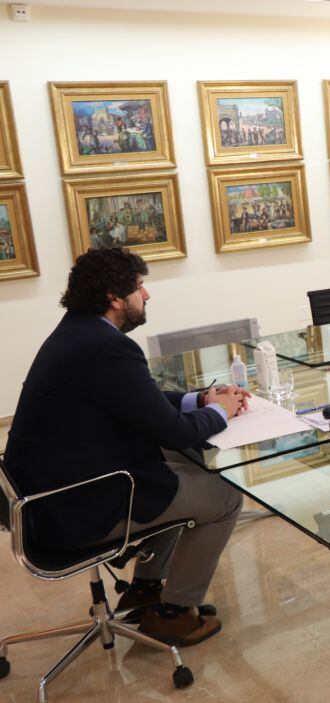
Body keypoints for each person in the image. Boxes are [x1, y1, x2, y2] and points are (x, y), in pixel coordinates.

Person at [4, 247, 250, 647]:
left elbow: (140, 401)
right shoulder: (104, 346)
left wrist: (200, 400)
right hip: (72, 508)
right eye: (139, 287)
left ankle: (146, 589)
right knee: (223, 495)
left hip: (47, 498)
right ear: (114, 299)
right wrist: (221, 411)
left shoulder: (80, 331)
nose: (147, 295)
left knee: (180, 470)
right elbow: (174, 433)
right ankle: (172, 614)